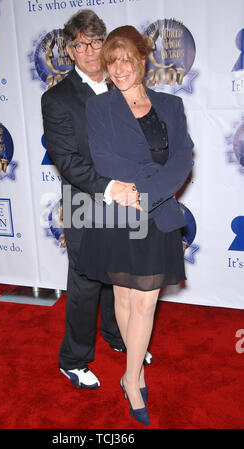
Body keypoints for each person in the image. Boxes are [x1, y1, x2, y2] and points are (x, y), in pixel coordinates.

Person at [77, 25, 194, 424]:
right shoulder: (100, 107)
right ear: (107, 69)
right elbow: (104, 159)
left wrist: (148, 193)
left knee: (146, 300)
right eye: (112, 62)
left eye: (127, 59)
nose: (120, 68)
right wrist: (146, 180)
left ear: (142, 59)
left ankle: (129, 378)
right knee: (125, 298)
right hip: (118, 214)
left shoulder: (170, 106)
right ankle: (135, 373)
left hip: (154, 211)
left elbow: (182, 160)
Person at [41, 11, 153, 390]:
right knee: (87, 281)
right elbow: (67, 161)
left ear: (105, 42)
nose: (89, 50)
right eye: (79, 43)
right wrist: (110, 188)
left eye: (95, 41)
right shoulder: (56, 99)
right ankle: (72, 359)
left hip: (129, 200)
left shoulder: (125, 84)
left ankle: (120, 336)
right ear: (70, 50)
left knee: (121, 276)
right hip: (86, 202)